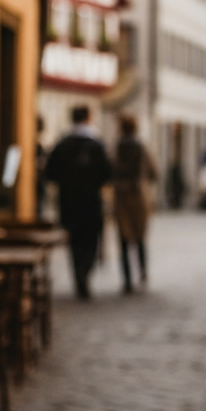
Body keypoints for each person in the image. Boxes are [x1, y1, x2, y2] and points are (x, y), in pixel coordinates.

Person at [45, 106, 111, 299]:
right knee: (91, 238)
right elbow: (106, 174)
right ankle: (85, 270)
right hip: (91, 201)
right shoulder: (96, 144)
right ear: (89, 118)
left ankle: (78, 273)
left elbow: (51, 173)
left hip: (69, 200)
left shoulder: (63, 144)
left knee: (74, 239)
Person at [112, 115, 156, 293]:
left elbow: (109, 168)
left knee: (123, 238)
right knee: (140, 236)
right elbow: (154, 171)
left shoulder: (116, 148)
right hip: (139, 197)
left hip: (121, 197)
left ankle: (127, 279)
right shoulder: (141, 147)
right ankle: (143, 270)